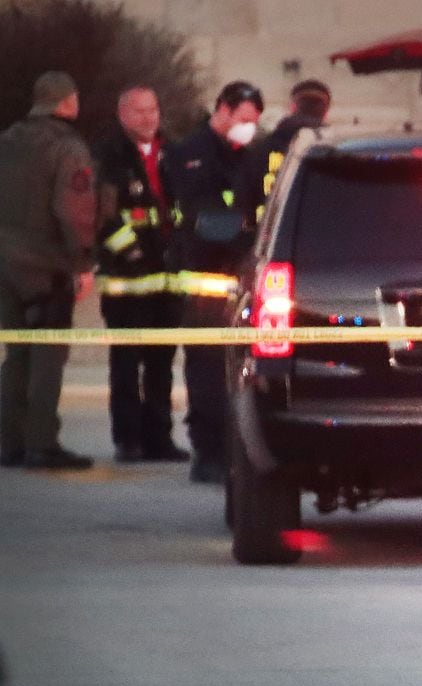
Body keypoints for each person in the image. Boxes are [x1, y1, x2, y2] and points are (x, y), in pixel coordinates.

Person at [164, 80, 263, 484]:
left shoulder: (252, 155)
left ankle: (237, 449)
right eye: (243, 120)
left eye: (254, 122)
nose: (248, 128)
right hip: (206, 282)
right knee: (206, 372)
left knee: (244, 373)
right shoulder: (191, 155)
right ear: (222, 109)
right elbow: (202, 216)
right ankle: (207, 453)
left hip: (243, 281)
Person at [0, 71, 96, 471]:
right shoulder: (67, 148)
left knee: (16, 353)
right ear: (68, 102)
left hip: (5, 265)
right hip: (47, 267)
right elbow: (74, 211)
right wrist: (84, 262)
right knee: (47, 356)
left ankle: (9, 442)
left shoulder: (7, 141)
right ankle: (42, 442)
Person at [94, 85, 188, 463]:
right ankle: (128, 441)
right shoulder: (107, 155)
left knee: (162, 365)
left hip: (167, 278)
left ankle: (159, 439)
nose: (149, 118)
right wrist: (129, 251)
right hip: (126, 280)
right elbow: (101, 215)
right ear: (123, 115)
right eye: (140, 111)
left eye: (153, 110)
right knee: (126, 363)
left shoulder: (174, 153)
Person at [232, 79, 330, 233]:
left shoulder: (259, 151)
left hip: (267, 241)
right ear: (326, 111)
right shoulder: (336, 155)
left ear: (292, 107)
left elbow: (241, 203)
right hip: (324, 240)